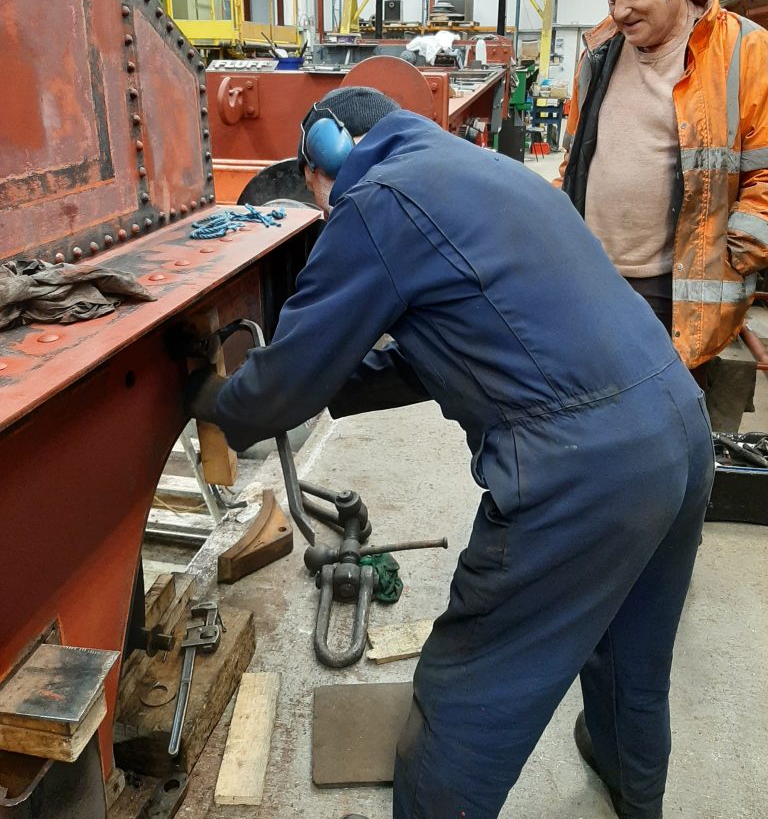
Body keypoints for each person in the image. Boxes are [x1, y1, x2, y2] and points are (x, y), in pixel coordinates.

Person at [186, 86, 713, 819]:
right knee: (633, 642)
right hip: (677, 426)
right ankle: (631, 780)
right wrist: (337, 381)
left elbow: (280, 386)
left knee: (471, 690)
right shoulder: (477, 168)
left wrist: (214, 401)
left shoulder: (374, 197)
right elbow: (439, 347)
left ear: (332, 148)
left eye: (316, 191)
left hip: (581, 467)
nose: (327, 212)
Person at [560, 0, 768, 395]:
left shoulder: (743, 50)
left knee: (663, 418)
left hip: (675, 289)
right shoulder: (600, 51)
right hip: (593, 276)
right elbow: (573, 162)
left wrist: (735, 256)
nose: (619, 11)